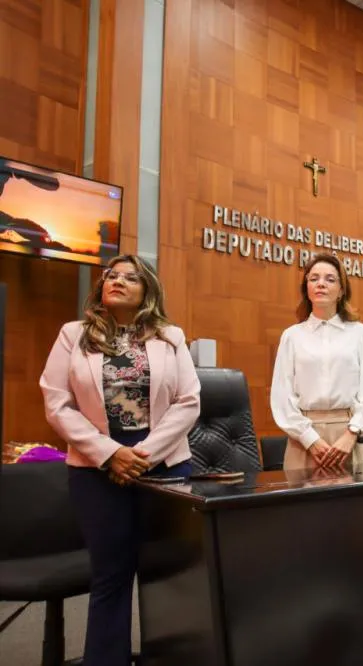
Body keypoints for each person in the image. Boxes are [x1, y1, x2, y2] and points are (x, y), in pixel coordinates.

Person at [39, 255, 200, 666]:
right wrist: (111, 454)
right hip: (97, 471)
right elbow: (57, 404)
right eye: (112, 275)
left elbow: (188, 402)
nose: (119, 281)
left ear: (148, 290)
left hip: (163, 470)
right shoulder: (72, 335)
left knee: (170, 577)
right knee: (111, 576)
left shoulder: (170, 336)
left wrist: (142, 455)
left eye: (131, 277)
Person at [270, 253, 363, 472]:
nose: (320, 284)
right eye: (314, 279)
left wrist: (351, 434)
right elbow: (282, 397)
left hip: (352, 434)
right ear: (306, 288)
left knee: (358, 505)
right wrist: (310, 439)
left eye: (330, 279)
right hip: (303, 436)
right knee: (306, 505)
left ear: (342, 290)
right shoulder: (291, 336)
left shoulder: (361, 333)